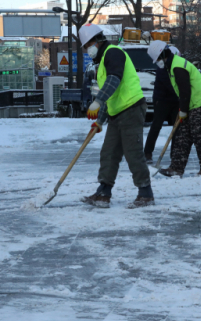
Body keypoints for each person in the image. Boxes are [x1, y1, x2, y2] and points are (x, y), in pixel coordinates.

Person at [78, 24, 154, 208]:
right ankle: (104, 192)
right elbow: (110, 94)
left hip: (131, 109)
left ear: (95, 41)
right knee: (109, 153)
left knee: (133, 152)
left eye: (87, 45)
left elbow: (114, 79)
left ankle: (146, 193)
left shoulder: (113, 53)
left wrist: (97, 100)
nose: (86, 50)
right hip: (116, 113)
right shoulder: (103, 60)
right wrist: (99, 121)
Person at [147, 41, 201, 176]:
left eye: (158, 59)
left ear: (163, 54)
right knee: (182, 136)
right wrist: (183, 109)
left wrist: (182, 110)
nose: (158, 63)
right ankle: (176, 168)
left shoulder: (178, 66)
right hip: (190, 103)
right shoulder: (171, 65)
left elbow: (185, 90)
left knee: (199, 136)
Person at [144, 46, 181, 164]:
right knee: (156, 125)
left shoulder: (176, 65)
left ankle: (175, 154)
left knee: (177, 127)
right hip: (162, 100)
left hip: (175, 100)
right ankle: (147, 153)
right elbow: (171, 86)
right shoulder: (162, 68)